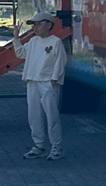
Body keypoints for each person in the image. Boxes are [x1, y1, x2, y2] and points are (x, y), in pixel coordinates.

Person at [11, 11, 66, 161]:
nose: (34, 28)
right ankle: (39, 145)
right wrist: (16, 38)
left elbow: (60, 62)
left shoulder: (56, 42)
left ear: (48, 25)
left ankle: (56, 147)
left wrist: (54, 80)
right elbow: (21, 53)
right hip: (32, 82)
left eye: (37, 24)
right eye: (33, 25)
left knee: (52, 116)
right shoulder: (33, 41)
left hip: (48, 83)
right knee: (34, 115)